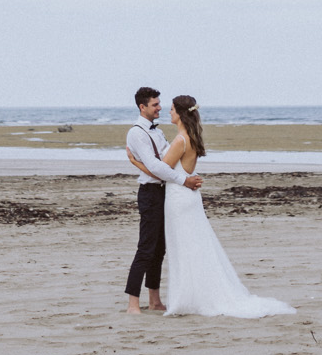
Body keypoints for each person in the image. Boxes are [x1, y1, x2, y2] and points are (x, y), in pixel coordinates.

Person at [158, 94, 294, 318]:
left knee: (184, 247)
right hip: (187, 198)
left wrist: (136, 162)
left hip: (179, 198)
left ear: (181, 114)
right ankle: (191, 295)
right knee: (193, 246)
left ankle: (188, 299)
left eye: (172, 109)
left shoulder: (181, 140)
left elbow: (163, 170)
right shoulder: (190, 136)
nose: (169, 112)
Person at [124, 85, 201, 314]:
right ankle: (132, 303)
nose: (160, 108)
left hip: (164, 193)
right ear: (142, 107)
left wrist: (184, 176)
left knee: (160, 250)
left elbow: (170, 159)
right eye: (155, 105)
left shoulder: (157, 132)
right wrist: (183, 180)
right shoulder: (137, 132)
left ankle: (155, 300)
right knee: (146, 249)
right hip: (149, 193)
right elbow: (155, 166)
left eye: (160, 104)